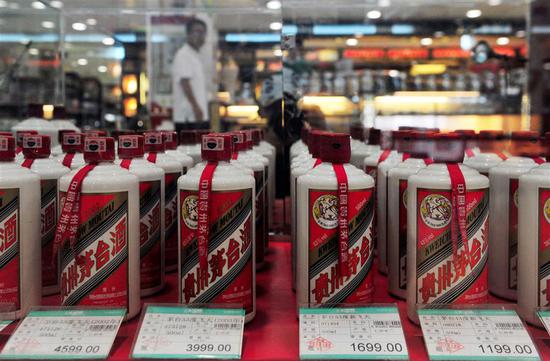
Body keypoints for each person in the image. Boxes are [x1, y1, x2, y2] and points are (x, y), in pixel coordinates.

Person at [172, 17, 210, 131]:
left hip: (197, 116)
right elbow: (185, 83)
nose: (200, 35)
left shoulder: (195, 55)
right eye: (197, 31)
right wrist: (196, 107)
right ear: (188, 34)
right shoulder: (183, 54)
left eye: (203, 32)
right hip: (188, 118)